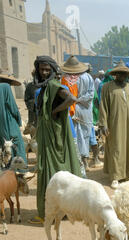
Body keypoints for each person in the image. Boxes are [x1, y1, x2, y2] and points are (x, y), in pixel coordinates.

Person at [32, 56, 82, 224]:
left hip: (54, 138)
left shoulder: (53, 85)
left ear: (53, 70)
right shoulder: (45, 87)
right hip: (49, 136)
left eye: (47, 69)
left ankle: (49, 212)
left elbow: (71, 99)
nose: (44, 72)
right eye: (42, 69)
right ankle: (63, 209)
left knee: (51, 170)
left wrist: (54, 112)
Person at [99, 62, 129, 189]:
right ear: (115, 74)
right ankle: (116, 176)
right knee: (116, 147)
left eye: (124, 74)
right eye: (120, 73)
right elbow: (103, 107)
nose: (122, 76)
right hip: (115, 123)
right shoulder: (107, 87)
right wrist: (103, 124)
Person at [61, 56, 95, 172]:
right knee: (84, 137)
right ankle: (84, 164)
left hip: (72, 111)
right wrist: (79, 99)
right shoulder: (88, 77)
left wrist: (74, 100)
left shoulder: (65, 78)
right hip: (85, 111)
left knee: (75, 138)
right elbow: (91, 95)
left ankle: (78, 164)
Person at [0, 73, 27, 167]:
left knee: (4, 146)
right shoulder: (5, 86)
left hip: (1, 125)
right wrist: (19, 120)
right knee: (17, 145)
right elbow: (12, 107)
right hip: (9, 122)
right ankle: (20, 170)